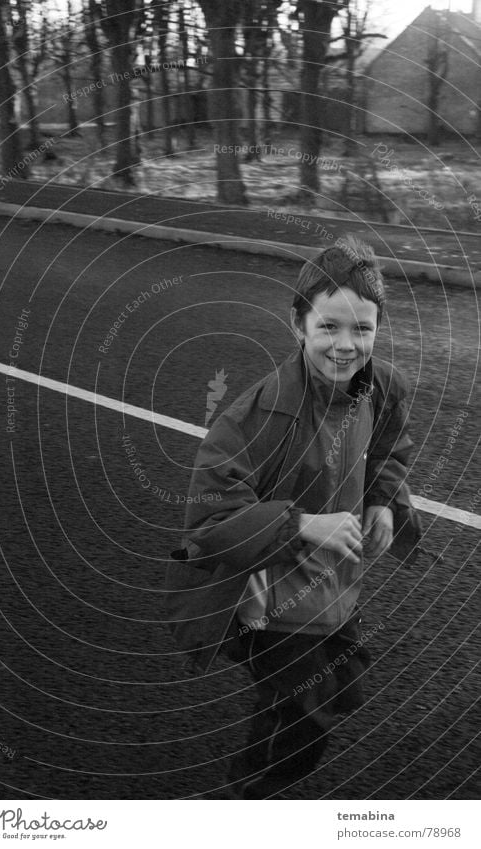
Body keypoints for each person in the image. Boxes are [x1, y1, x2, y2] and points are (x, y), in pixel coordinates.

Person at [166, 235, 420, 799]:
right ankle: (249, 802)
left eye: (363, 329)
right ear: (298, 324)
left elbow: (390, 444)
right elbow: (208, 526)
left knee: (343, 690)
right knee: (306, 715)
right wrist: (303, 524)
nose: (346, 345)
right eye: (329, 327)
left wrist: (381, 500)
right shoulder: (251, 418)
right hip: (272, 602)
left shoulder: (380, 386)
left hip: (336, 589)